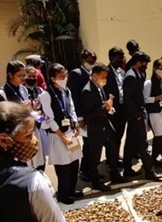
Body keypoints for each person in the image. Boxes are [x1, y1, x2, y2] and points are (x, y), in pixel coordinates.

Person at [39, 63, 83, 204]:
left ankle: (71, 190)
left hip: (70, 132)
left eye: (65, 76)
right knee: (63, 167)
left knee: (74, 164)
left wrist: (75, 124)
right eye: (61, 77)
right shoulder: (46, 95)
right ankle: (63, 195)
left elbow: (71, 109)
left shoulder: (66, 91)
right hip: (58, 136)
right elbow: (49, 118)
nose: (64, 79)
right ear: (52, 78)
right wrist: (62, 136)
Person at [79, 63, 124, 190]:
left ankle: (114, 174)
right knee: (95, 155)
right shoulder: (87, 90)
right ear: (95, 75)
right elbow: (89, 112)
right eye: (102, 76)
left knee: (113, 149)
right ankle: (95, 181)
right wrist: (104, 107)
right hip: (95, 127)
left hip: (105, 123)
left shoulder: (99, 86)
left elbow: (101, 103)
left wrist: (109, 107)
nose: (104, 79)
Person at [122, 52, 162, 181]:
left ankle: (127, 169)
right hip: (135, 115)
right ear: (138, 63)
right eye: (145, 64)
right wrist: (137, 115)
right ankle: (149, 171)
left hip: (139, 113)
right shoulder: (130, 76)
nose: (146, 66)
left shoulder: (139, 74)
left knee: (130, 143)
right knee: (142, 143)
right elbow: (128, 99)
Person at [69, 50, 97, 182]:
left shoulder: (93, 73)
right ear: (83, 60)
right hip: (84, 116)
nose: (92, 63)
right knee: (88, 145)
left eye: (94, 61)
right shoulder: (77, 74)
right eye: (90, 61)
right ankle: (84, 170)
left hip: (93, 114)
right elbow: (74, 97)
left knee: (94, 144)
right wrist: (79, 118)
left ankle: (93, 169)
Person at [144, 57, 162, 168]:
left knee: (161, 135)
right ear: (155, 68)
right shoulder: (148, 83)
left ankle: (153, 158)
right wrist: (158, 97)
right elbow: (145, 98)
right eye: (160, 68)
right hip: (153, 112)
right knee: (160, 136)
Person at [104, 47, 127, 164]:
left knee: (119, 134)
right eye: (120, 57)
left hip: (122, 108)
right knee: (111, 137)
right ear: (113, 58)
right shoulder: (106, 73)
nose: (123, 59)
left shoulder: (121, 72)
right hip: (112, 109)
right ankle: (111, 160)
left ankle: (116, 155)